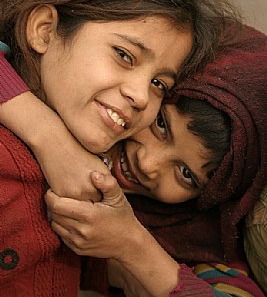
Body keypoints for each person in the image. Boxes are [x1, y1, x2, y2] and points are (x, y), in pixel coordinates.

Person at [0, 0, 235, 296]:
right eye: (124, 55)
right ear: (44, 30)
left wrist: (128, 251)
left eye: (160, 84)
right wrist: (46, 134)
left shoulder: (96, 194)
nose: (142, 97)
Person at [44, 23, 266, 297]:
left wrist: (132, 245)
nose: (148, 164)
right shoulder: (67, 92)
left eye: (186, 174)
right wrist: (45, 134)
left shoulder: (200, 244)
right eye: (161, 124)